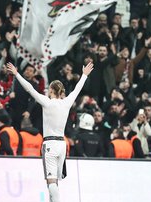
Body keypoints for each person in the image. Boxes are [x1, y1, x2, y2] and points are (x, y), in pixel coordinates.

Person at [7, 61, 93, 202]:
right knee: (55, 182)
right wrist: (84, 76)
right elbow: (77, 89)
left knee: (51, 180)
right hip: (62, 144)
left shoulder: (47, 102)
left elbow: (30, 89)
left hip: (50, 144)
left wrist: (17, 74)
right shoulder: (67, 102)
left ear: (52, 90)